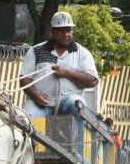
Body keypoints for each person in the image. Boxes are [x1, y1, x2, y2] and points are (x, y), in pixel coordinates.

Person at [20, 11, 99, 151]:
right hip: (41, 103)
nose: (66, 34)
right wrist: (35, 96)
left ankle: (76, 152)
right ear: (53, 32)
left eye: (68, 30)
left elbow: (92, 80)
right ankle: (29, 156)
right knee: (26, 118)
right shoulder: (36, 51)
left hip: (67, 101)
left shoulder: (82, 53)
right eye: (61, 30)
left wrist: (67, 72)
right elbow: (24, 78)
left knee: (77, 105)